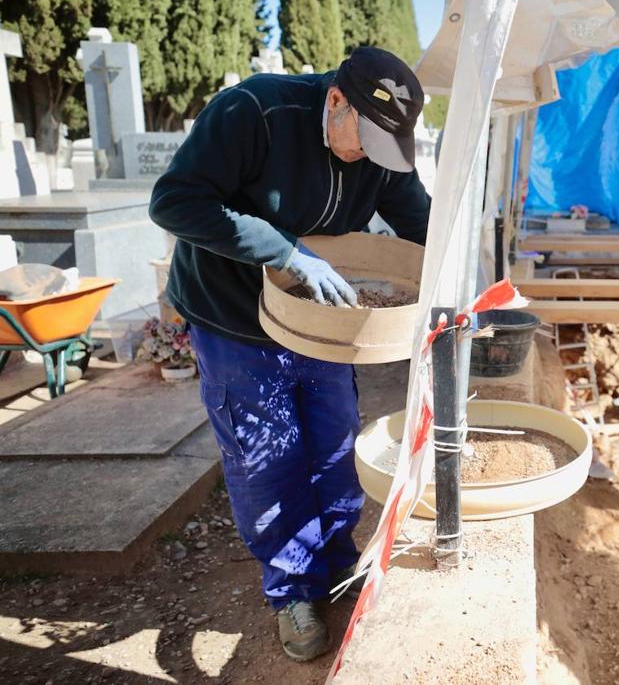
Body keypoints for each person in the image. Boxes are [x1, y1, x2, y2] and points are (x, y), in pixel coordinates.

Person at [149, 47, 431, 662]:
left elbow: (417, 219)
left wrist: (463, 277)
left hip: (323, 320)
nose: (369, 161)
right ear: (336, 101)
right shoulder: (255, 110)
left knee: (334, 446)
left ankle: (335, 561)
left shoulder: (377, 145)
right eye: (366, 143)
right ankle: (293, 589)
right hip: (234, 318)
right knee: (267, 460)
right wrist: (285, 252)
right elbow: (173, 201)